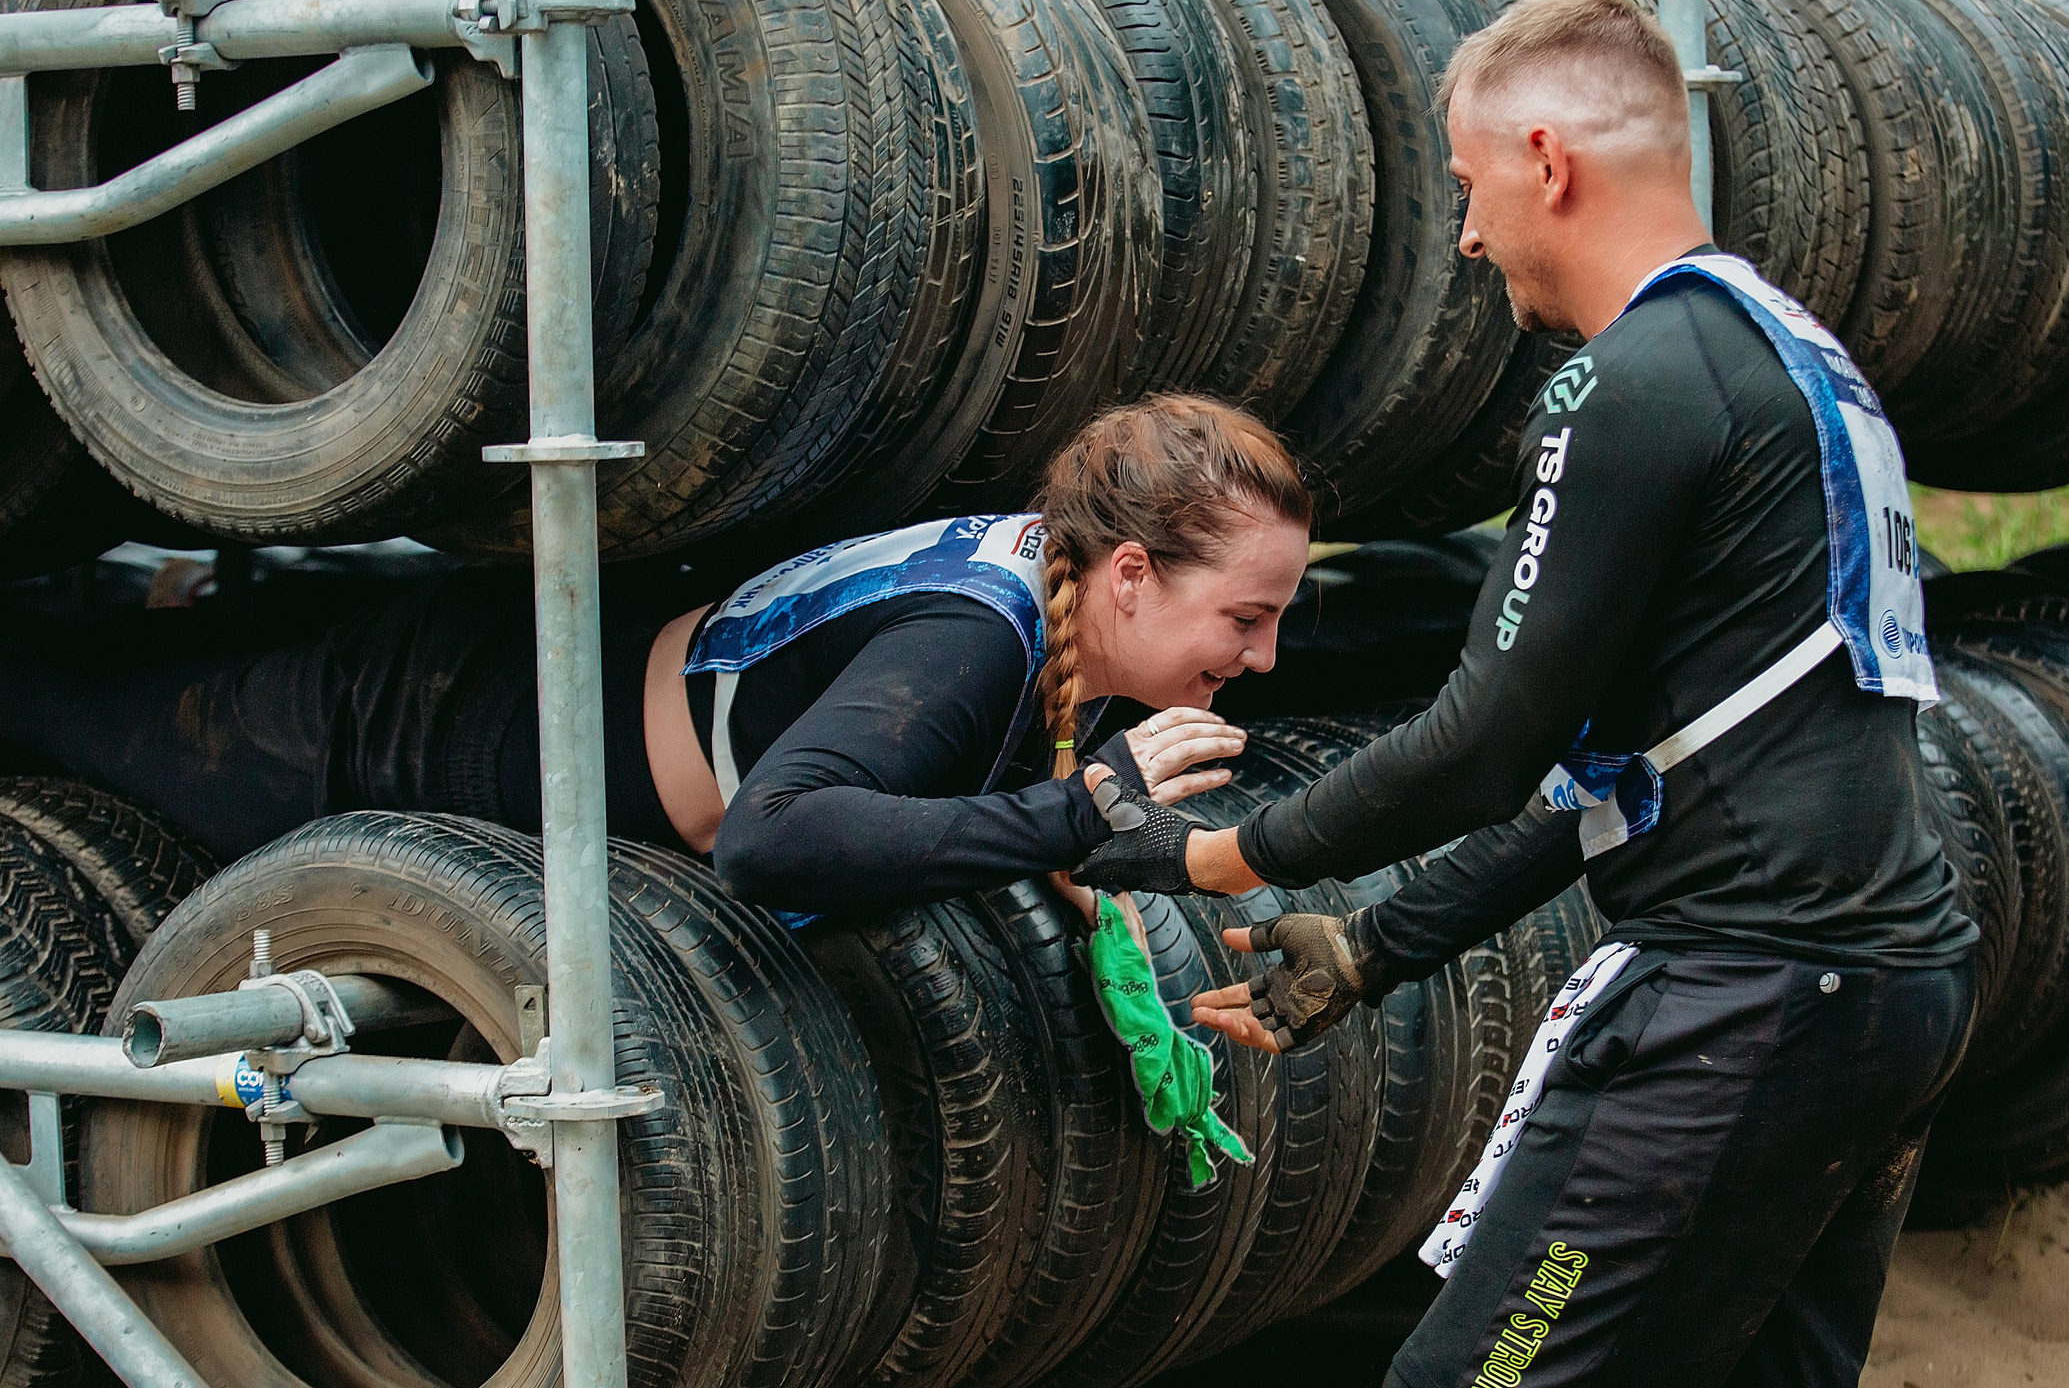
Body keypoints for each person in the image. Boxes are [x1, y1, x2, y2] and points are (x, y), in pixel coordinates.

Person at [1073, 0, 1976, 1388]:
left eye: (1468, 183)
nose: (1469, 236)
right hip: (1881, 990)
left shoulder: (1627, 385)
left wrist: (1222, 854)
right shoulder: (1801, 362)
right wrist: (1373, 944)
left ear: (1545, 159)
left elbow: (1483, 741)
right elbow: (1634, 773)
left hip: (1745, 1003)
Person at [0, 394, 1310, 921]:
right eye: (1243, 620)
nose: (1262, 657)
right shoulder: (974, 642)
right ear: (1129, 573)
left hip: (506, 662)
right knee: (52, 707)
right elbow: (770, 841)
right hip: (418, 730)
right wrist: (1065, 817)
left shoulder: (1062, 589)